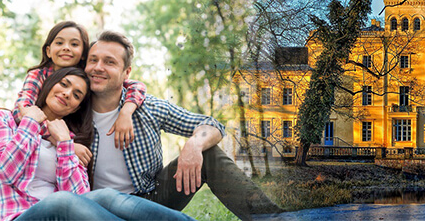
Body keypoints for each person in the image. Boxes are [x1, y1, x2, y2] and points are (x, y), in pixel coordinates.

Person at [85, 30, 281, 220]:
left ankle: (273, 219)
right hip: (94, 209)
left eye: (109, 62)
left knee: (208, 153)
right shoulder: (71, 109)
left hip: (150, 201)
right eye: (93, 60)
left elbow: (211, 125)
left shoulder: (149, 109)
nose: (98, 67)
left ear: (126, 73)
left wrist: (194, 145)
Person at [0, 67, 193, 221]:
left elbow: (81, 199)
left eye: (76, 95)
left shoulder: (71, 141)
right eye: (64, 84)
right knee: (61, 202)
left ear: (76, 108)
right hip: (14, 216)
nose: (67, 94)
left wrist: (65, 144)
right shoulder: (7, 120)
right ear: (50, 85)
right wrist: (31, 121)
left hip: (59, 213)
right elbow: (6, 171)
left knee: (105, 195)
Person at [14, 21, 146, 163]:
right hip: (32, 139)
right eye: (59, 43)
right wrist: (62, 141)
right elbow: (21, 112)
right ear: (48, 51)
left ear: (83, 54)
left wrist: (126, 112)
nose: (66, 48)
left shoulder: (86, 78)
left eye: (74, 44)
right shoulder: (39, 75)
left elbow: (136, 86)